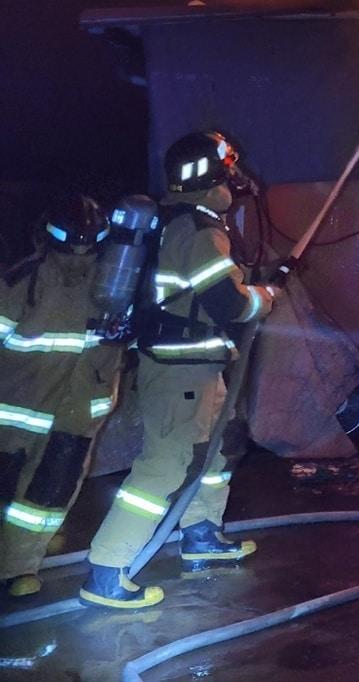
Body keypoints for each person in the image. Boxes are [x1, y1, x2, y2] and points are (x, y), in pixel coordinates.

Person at [81, 131, 279, 609]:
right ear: (213, 177)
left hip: (194, 367)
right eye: (228, 169)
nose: (235, 177)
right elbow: (229, 304)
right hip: (180, 371)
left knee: (215, 453)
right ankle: (106, 571)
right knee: (164, 466)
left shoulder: (180, 223)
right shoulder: (199, 230)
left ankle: (201, 537)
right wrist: (266, 298)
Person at [0, 195, 121, 598]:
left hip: (45, 414)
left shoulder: (113, 285)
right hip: (62, 415)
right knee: (44, 496)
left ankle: (19, 564)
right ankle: (19, 567)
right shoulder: (112, 285)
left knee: (41, 496)